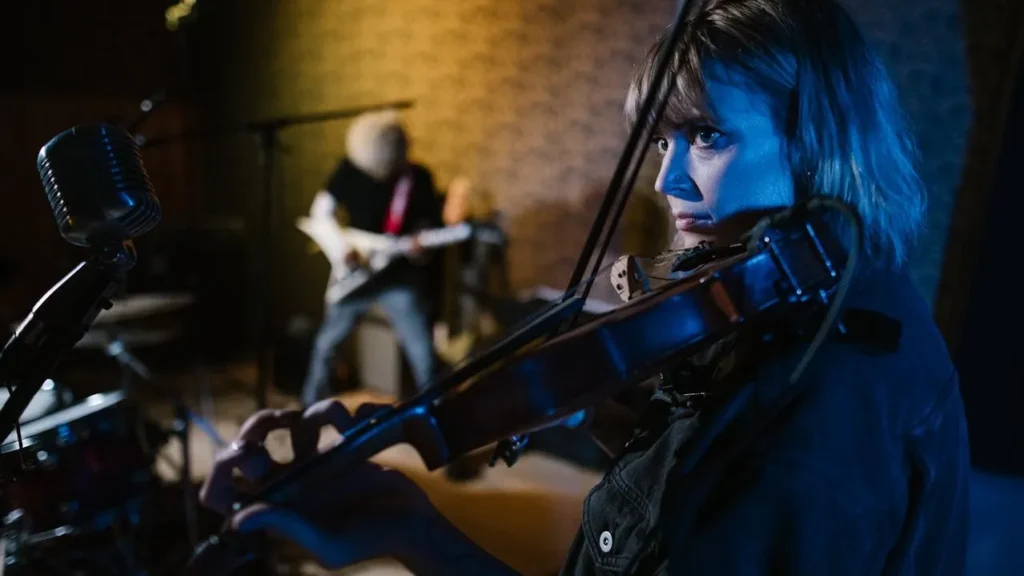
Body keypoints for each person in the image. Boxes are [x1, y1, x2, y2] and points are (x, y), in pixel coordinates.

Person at [199, 1, 970, 574]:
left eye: (707, 136)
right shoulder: (803, 312)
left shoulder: (819, 398)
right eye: (664, 138)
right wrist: (411, 526)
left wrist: (422, 537)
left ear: (821, 139)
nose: (666, 180)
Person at [300, 110, 443, 407]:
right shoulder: (349, 170)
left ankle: (436, 417)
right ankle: (308, 412)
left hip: (398, 278)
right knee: (326, 345)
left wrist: (422, 248)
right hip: (355, 277)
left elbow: (430, 231)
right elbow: (321, 213)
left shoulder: (419, 179)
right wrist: (342, 250)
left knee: (421, 352)